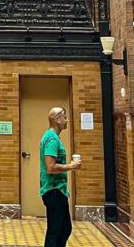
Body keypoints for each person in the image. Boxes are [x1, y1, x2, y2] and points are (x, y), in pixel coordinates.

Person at [40, 106, 81, 247]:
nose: (66, 120)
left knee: (65, 229)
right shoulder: (52, 139)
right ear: (57, 120)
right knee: (55, 230)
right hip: (53, 190)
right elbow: (50, 167)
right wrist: (71, 166)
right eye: (64, 116)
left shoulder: (53, 137)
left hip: (58, 190)